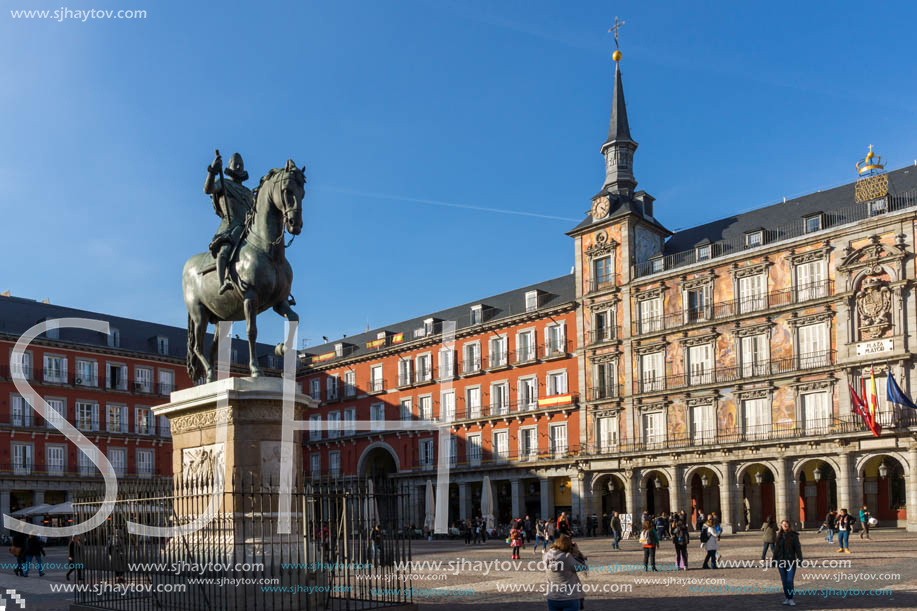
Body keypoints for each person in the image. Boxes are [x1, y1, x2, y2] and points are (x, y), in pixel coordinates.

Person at [543, 535, 586, 611]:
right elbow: (583, 567)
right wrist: (576, 551)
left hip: (552, 597)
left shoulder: (546, 556)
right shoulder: (567, 558)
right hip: (570, 597)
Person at [774, 519, 803, 606]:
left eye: (786, 524)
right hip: (781, 562)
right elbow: (776, 550)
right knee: (784, 581)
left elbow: (798, 548)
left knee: (789, 581)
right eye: (783, 525)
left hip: (791, 561)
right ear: (781, 526)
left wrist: (800, 559)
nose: (785, 526)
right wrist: (774, 560)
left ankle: (791, 598)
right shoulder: (779, 536)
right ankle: (787, 597)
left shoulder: (794, 536)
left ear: (789, 525)